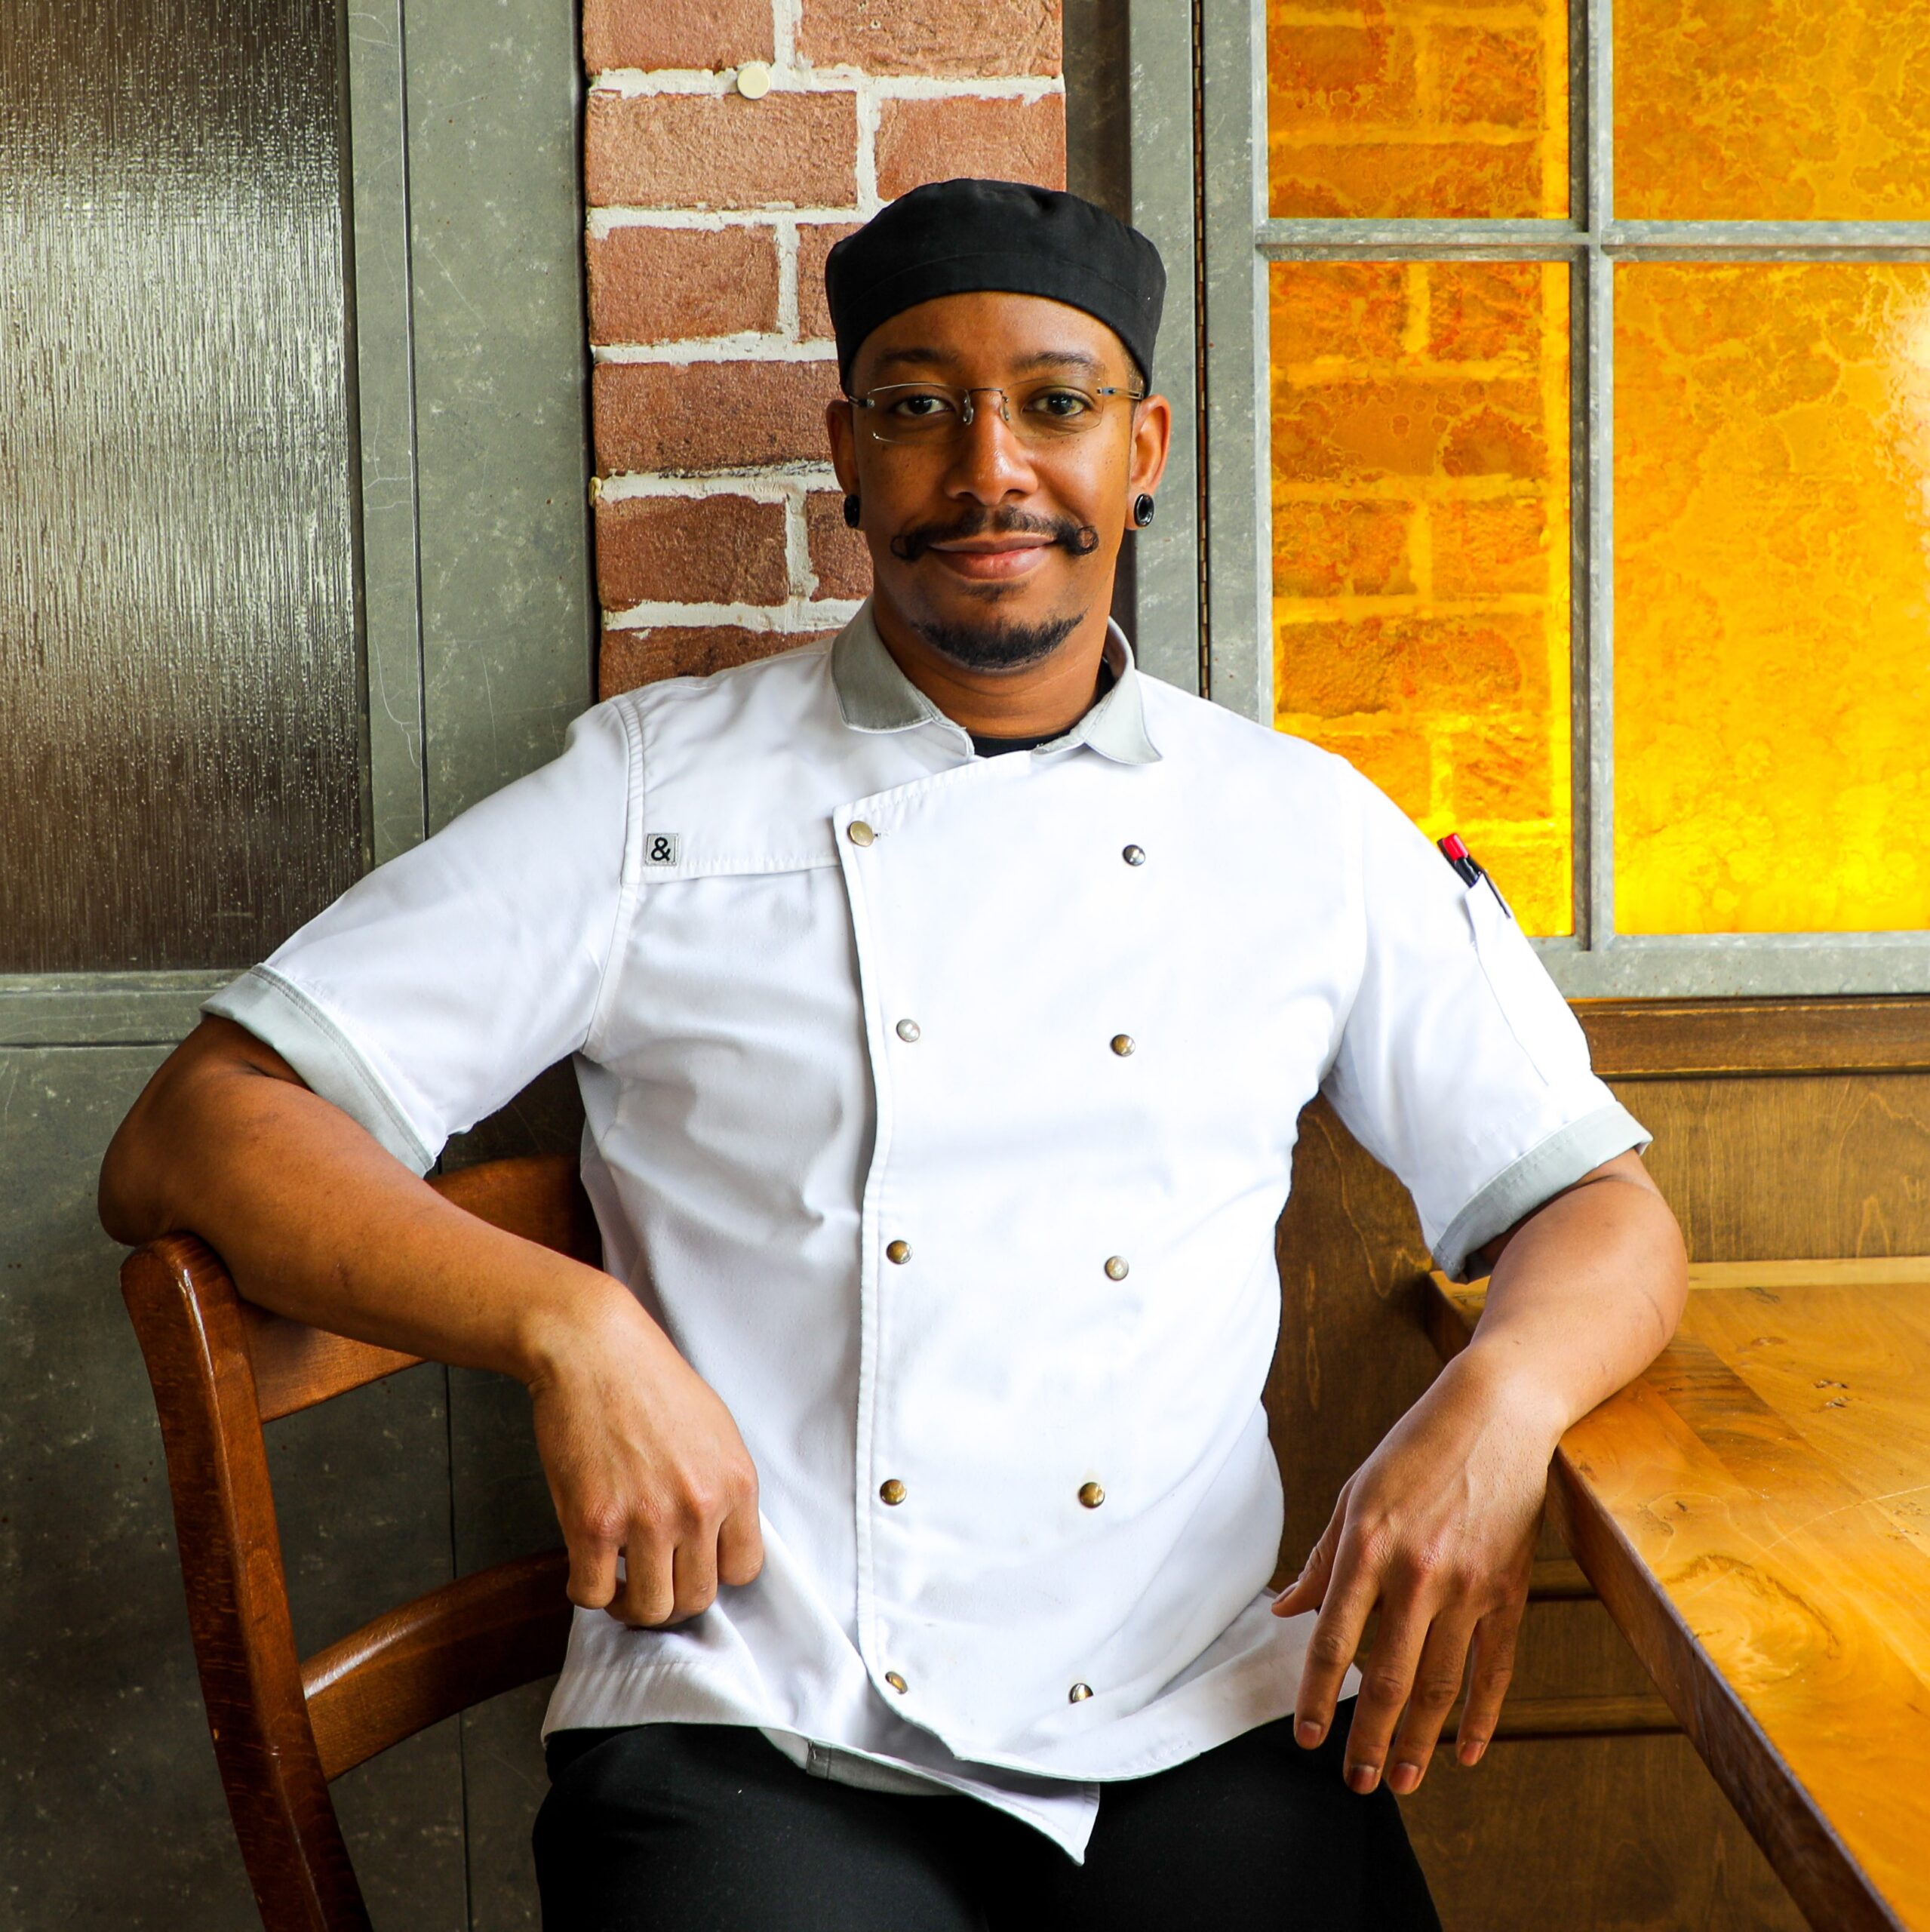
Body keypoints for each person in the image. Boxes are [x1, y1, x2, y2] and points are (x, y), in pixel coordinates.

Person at [99, 178, 1687, 1930]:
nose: (988, 467)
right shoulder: (654, 796)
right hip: (755, 1727)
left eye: (1054, 405)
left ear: (1141, 447)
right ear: (848, 455)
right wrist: (570, 1323)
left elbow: (1596, 1211)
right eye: (920, 406)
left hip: (1202, 1712)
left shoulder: (1303, 826)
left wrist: (1498, 1403)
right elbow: (199, 1128)